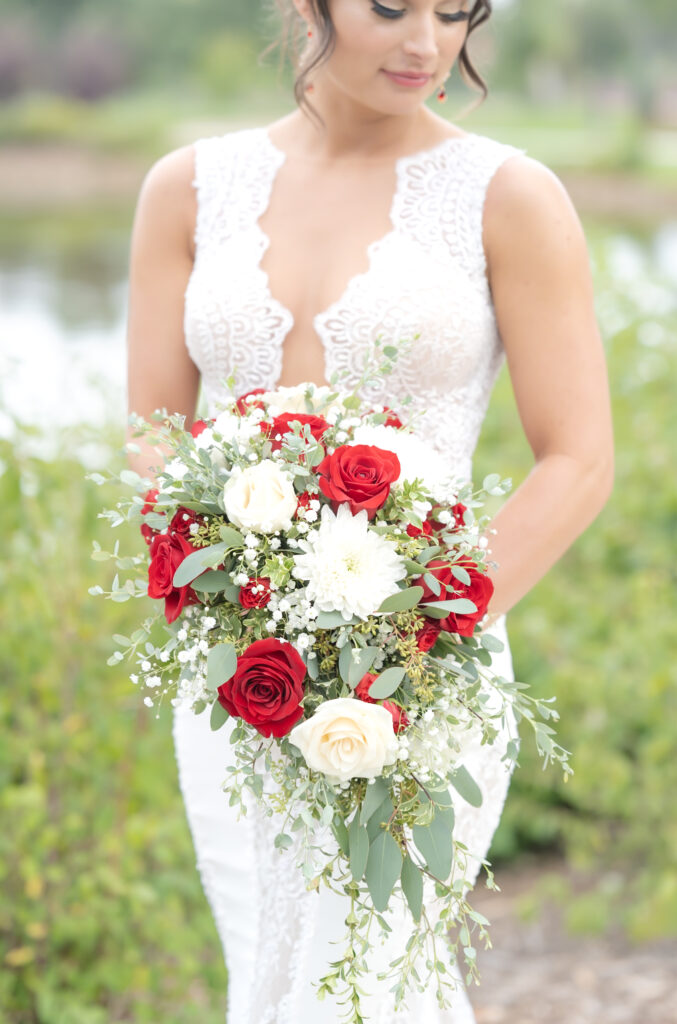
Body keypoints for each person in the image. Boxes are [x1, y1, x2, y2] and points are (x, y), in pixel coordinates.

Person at [125, 0, 614, 1020]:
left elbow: (575, 459)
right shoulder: (186, 189)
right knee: (262, 970)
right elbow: (154, 445)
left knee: (366, 977)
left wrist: (416, 633)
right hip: (238, 677)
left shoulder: (508, 196)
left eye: (453, 12)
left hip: (425, 671)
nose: (425, 43)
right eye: (389, 6)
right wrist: (228, 607)